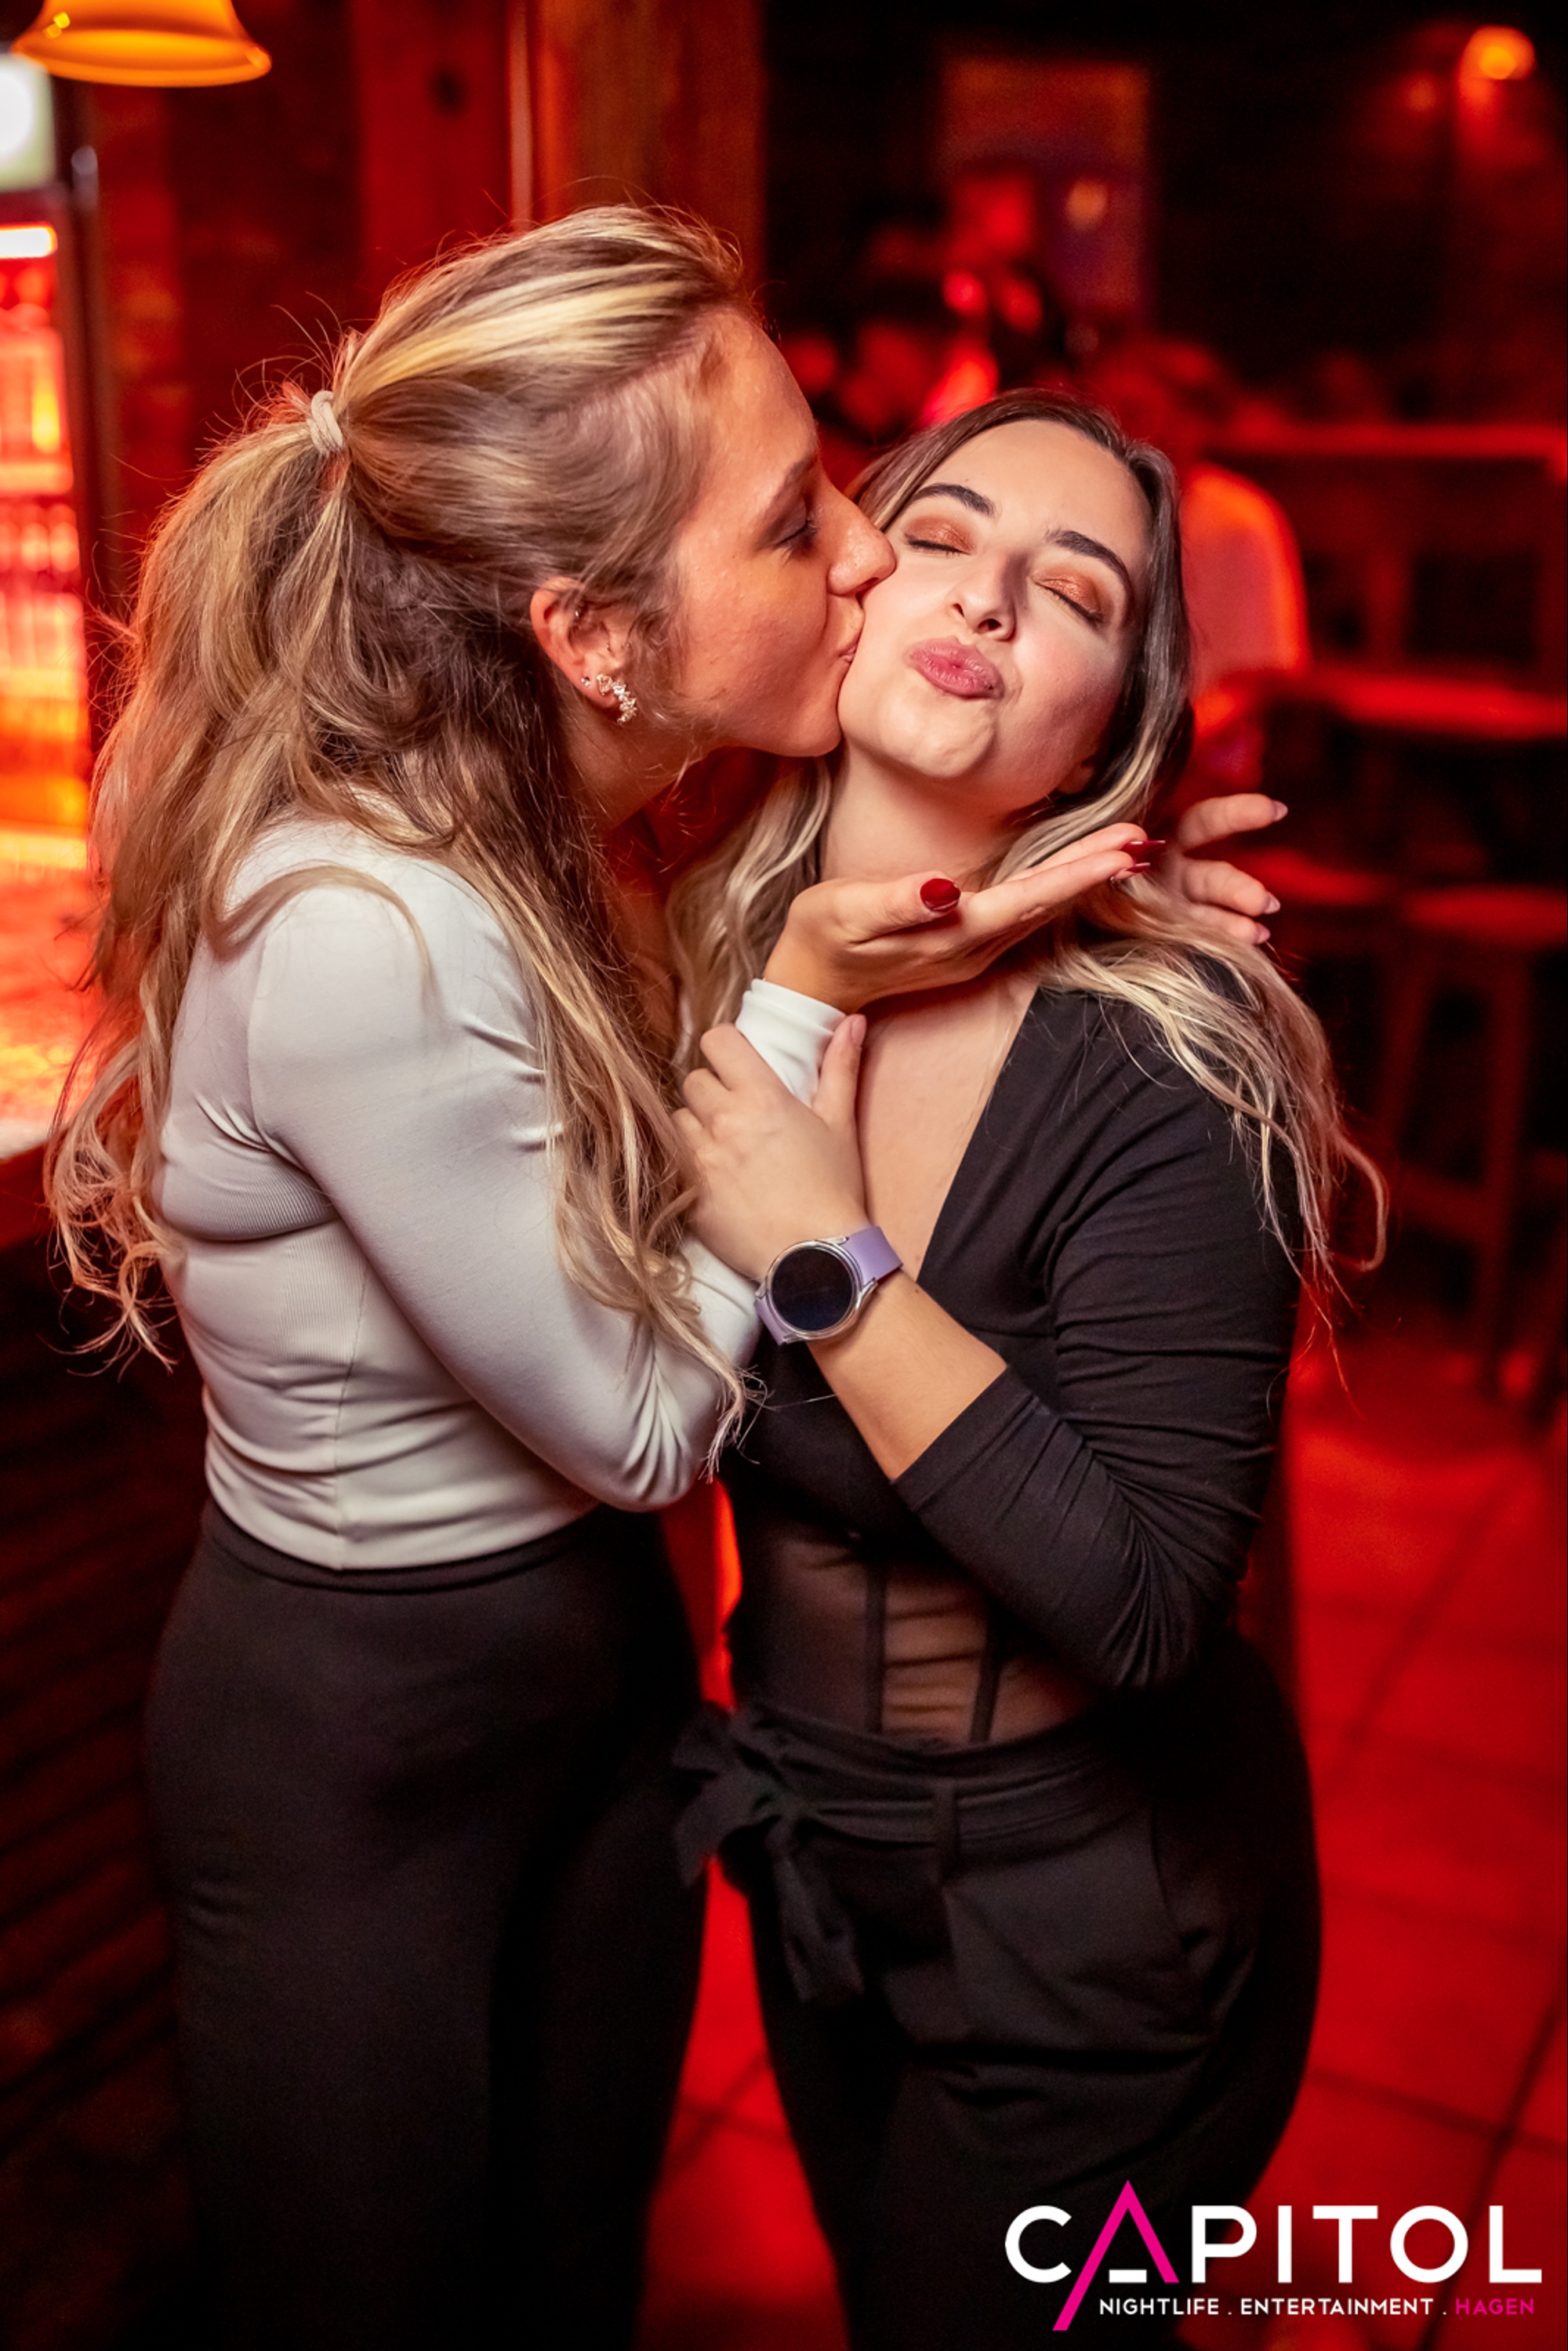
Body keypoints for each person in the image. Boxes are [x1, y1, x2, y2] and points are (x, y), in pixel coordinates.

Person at [45, 210, 1285, 2349]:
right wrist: (821, 1034)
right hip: (434, 1757)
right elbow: (640, 1419)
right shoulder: (560, 927)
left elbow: (1153, 1583)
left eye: (1077, 593)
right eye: (833, 522)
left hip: (864, 1818)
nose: (885, 567)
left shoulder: (643, 880)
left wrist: (1094, 897)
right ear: (596, 638)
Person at [670, 390, 1380, 2348]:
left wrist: (829, 1262)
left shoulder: (1170, 1061)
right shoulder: (695, 965)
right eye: (941, 536)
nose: (984, 599)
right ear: (840, 583)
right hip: (813, 1863)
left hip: (1101, 1930)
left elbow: (1146, 1606)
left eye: (1071, 594)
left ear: (1112, 730)